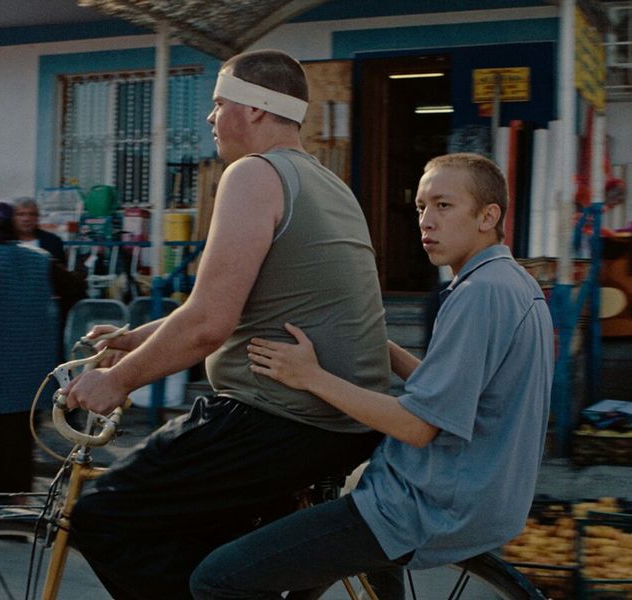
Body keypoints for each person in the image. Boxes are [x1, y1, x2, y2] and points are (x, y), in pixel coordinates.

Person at [63, 49, 390, 600]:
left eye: (219, 103)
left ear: (256, 108)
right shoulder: (328, 182)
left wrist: (117, 381)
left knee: (102, 514)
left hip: (278, 418)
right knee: (208, 551)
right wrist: (134, 339)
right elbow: (221, 305)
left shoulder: (253, 175)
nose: (210, 117)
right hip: (339, 422)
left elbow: (209, 326)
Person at [189, 152, 554, 599]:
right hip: (482, 499)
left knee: (217, 579)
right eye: (421, 207)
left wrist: (310, 376)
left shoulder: (478, 294)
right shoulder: (514, 283)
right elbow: (457, 394)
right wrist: (378, 345)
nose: (426, 221)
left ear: (488, 216)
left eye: (444, 205)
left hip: (423, 506)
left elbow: (418, 426)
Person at [0, 201, 60, 500]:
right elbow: (75, 289)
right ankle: (17, 507)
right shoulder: (41, 259)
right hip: (29, 373)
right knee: (20, 442)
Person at [12, 196, 67, 264]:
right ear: (12, 218)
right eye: (21, 214)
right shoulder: (4, 242)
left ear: (37, 217)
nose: (26, 219)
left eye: (32, 214)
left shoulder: (53, 242)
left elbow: (60, 268)